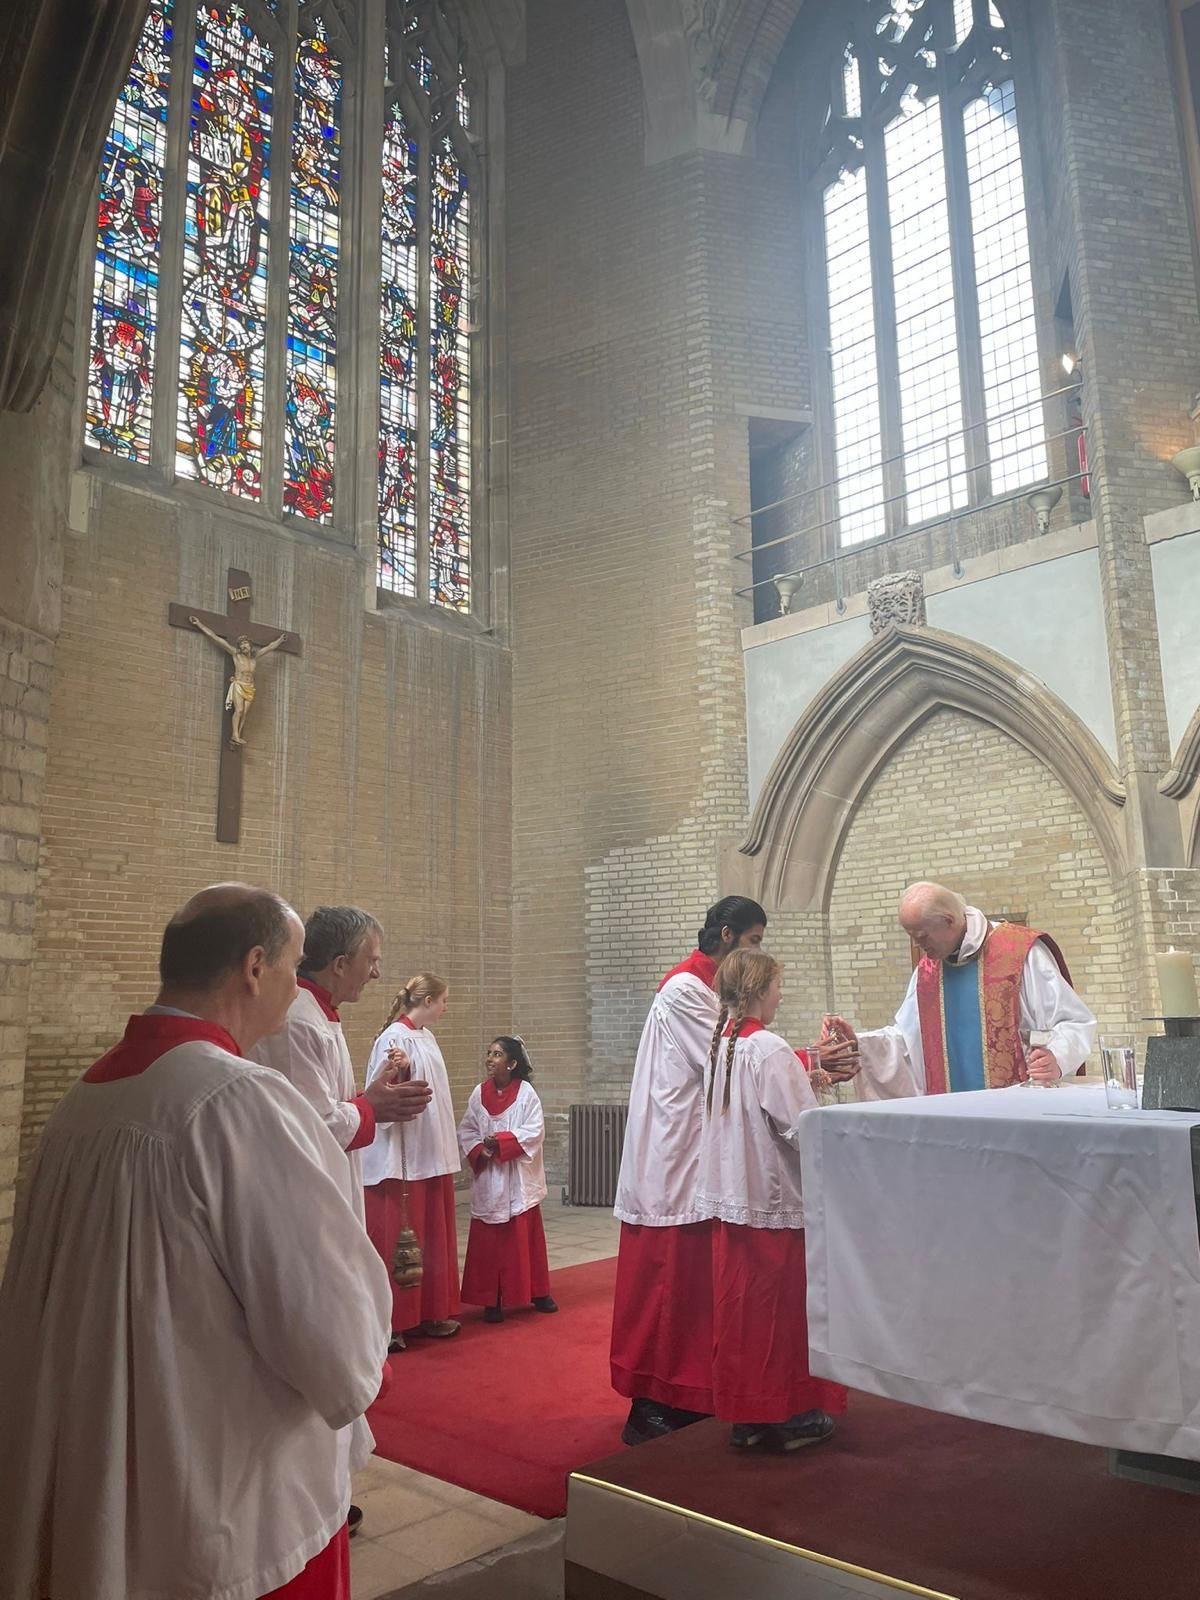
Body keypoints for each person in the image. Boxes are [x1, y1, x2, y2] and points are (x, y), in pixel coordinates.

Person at [0, 884, 392, 1600]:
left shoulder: (82, 1103)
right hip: (222, 1502)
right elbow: (332, 1339)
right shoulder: (239, 1100)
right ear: (253, 966)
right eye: (294, 965)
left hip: (95, 1475)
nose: (296, 985)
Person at [252, 905, 431, 1540]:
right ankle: (315, 1496)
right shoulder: (299, 1022)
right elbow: (307, 1129)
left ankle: (330, 1492)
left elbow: (333, 1107)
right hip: (308, 1208)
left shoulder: (318, 1017)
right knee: (319, 1348)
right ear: (338, 964)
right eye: (371, 960)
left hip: (332, 1193)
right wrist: (371, 1105)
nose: (376, 973)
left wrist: (370, 1094)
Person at [609, 896, 768, 1446]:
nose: (755, 953)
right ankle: (650, 1402)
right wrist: (805, 1062)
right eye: (751, 941)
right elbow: (727, 1058)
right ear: (726, 935)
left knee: (691, 1284)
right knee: (664, 1281)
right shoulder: (684, 989)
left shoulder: (708, 989)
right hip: (674, 1156)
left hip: (696, 1150)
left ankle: (685, 1392)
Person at [696, 948, 848, 1451]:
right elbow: (799, 1128)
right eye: (777, 986)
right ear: (760, 990)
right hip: (774, 1201)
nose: (781, 995)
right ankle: (789, 1415)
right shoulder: (769, 1048)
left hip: (733, 1196)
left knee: (744, 1315)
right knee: (781, 1315)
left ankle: (749, 1416)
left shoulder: (723, 1043)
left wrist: (810, 1078)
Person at [823, 881, 1097, 1097]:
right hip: (952, 1124)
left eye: (922, 936)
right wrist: (859, 1044)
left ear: (949, 921)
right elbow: (907, 1044)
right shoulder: (928, 971)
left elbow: (1074, 1022)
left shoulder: (1019, 953)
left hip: (1018, 1115)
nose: (919, 946)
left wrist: (1056, 1057)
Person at [362, 973, 462, 1349]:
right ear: (428, 1000)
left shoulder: (426, 1036)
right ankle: (394, 1323)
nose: (446, 1007)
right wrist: (399, 1068)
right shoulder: (393, 1037)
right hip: (401, 1154)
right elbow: (380, 1087)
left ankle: (428, 1312)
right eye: (444, 1000)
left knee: (431, 1234)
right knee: (399, 1237)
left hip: (429, 1150)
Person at [457, 1036, 556, 1323]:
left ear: (512, 1064)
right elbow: (467, 1129)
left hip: (517, 1178)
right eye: (489, 1053)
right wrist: (481, 1148)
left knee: (524, 1237)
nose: (490, 1058)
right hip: (491, 1176)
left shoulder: (526, 1094)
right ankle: (492, 1298)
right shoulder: (479, 1094)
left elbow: (535, 1131)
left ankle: (537, 1291)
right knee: (490, 1242)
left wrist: (501, 1142)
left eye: (497, 1054)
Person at [188, 615, 288, 746]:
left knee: (245, 713)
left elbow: (269, 647)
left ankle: (237, 736)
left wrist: (280, 640)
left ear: (250, 645)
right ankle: (235, 734)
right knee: (239, 710)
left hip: (250, 687)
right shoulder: (236, 654)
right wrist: (199, 624)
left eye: (246, 643)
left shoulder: (254, 657)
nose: (244, 646)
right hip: (239, 685)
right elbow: (216, 638)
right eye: (242, 644)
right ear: (239, 647)